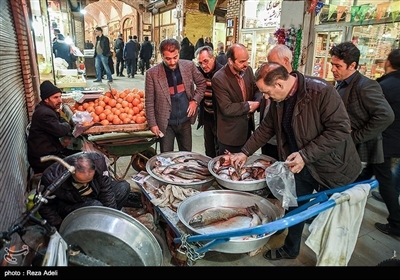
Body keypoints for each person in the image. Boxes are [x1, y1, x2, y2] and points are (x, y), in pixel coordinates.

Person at [229, 62, 362, 260]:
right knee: (295, 206)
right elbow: (267, 128)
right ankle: (290, 249)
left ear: (280, 85)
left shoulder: (321, 92)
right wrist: (245, 152)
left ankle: (333, 258)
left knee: (336, 217)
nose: (265, 97)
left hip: (331, 164)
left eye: (266, 92)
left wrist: (305, 155)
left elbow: (340, 130)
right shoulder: (278, 100)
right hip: (299, 164)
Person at [329, 42, 398, 237]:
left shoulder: (366, 85)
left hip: (362, 146)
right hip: (344, 146)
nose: (333, 69)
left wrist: (356, 136)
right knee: (355, 180)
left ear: (352, 66)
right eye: (332, 64)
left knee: (375, 180)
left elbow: (386, 116)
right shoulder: (342, 83)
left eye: (338, 66)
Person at [38, 152, 131, 229]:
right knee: (95, 206)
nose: (85, 185)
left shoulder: (98, 162)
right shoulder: (52, 178)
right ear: (72, 173)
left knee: (123, 187)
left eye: (88, 181)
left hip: (93, 194)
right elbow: (44, 206)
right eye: (81, 182)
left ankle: (104, 223)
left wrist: (112, 217)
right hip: (69, 204)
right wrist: (60, 226)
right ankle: (92, 227)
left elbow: (106, 190)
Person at [145, 38, 206, 152]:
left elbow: (202, 83)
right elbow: (149, 102)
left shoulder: (189, 66)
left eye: (175, 57)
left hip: (185, 121)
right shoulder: (152, 74)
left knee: (187, 155)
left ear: (179, 53)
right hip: (165, 124)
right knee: (166, 157)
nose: (172, 62)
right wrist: (152, 124)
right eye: (168, 59)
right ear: (161, 56)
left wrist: (195, 101)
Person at [211, 43, 262, 154]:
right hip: (230, 135)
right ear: (230, 61)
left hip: (247, 131)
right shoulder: (219, 78)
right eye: (242, 62)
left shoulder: (247, 70)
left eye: (247, 60)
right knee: (227, 168)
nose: (246, 64)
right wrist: (248, 106)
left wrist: (258, 101)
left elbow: (256, 89)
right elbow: (226, 108)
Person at [370, 49, 400, 237]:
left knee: (385, 180)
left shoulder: (385, 85)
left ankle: (396, 222)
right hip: (392, 140)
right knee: (366, 174)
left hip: (385, 141)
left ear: (388, 62)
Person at [27, 81, 78, 174]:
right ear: (46, 99)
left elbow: (61, 121)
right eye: (55, 97)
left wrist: (64, 124)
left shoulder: (46, 109)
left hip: (51, 154)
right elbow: (61, 130)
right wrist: (68, 125)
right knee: (83, 162)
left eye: (60, 96)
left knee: (81, 154)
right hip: (45, 160)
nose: (60, 100)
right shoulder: (45, 114)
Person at [259, 44, 294, 160]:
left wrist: (304, 155)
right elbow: (267, 125)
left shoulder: (313, 91)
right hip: (269, 143)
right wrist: (245, 152)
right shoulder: (270, 83)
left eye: (273, 64)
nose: (270, 69)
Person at [195, 45, 224, 158]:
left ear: (213, 58)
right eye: (200, 63)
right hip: (206, 116)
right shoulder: (200, 73)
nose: (203, 66)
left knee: (219, 150)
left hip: (219, 119)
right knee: (209, 149)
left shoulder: (222, 72)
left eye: (206, 61)